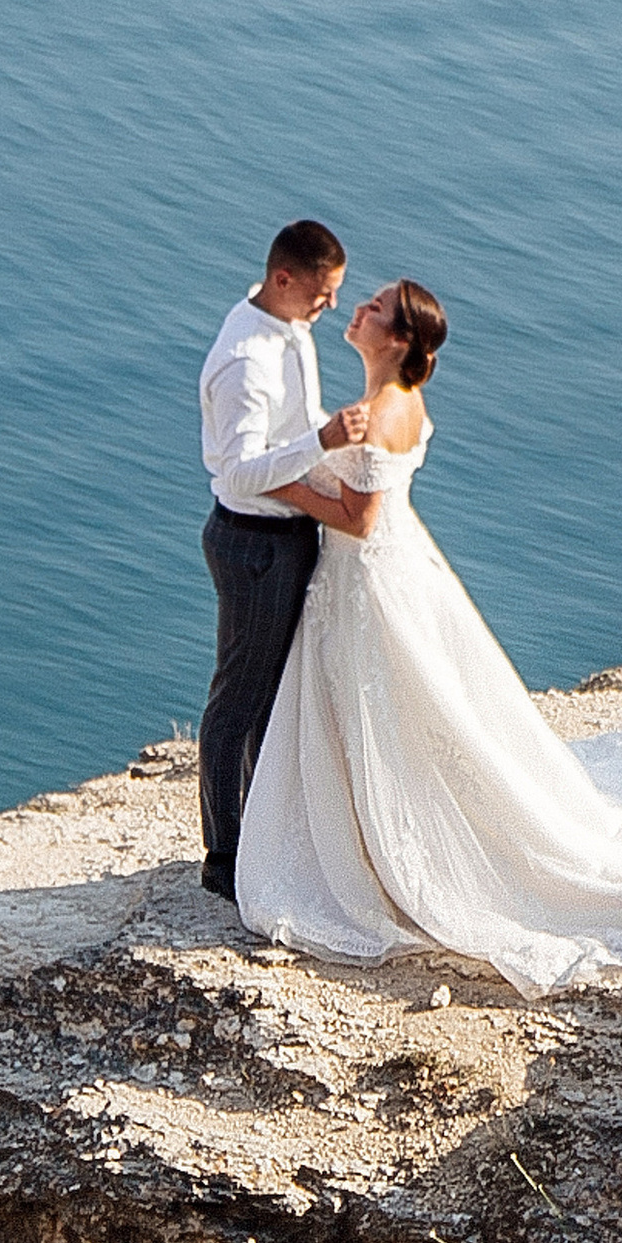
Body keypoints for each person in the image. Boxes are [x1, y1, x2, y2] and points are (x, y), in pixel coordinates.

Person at [233, 278, 622, 996]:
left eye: (375, 308)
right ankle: (366, 838)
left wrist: (278, 482)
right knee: (407, 716)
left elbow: (360, 519)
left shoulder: (385, 411)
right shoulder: (397, 403)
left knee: (395, 715)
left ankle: (397, 852)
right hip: (383, 578)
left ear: (399, 342)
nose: (358, 310)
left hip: (369, 582)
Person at [195, 222, 385, 898]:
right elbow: (239, 471)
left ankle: (265, 837)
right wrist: (323, 439)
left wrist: (317, 444)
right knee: (239, 704)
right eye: (321, 293)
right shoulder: (247, 361)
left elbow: (277, 437)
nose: (330, 306)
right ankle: (226, 857)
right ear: (283, 280)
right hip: (255, 543)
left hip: (283, 532)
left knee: (274, 697)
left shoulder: (277, 319)